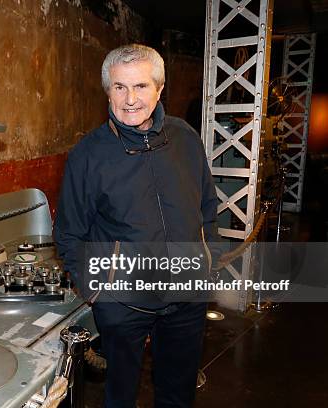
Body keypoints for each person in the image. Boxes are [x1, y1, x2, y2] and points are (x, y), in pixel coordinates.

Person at [53, 44, 219, 407]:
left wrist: (208, 262)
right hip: (123, 304)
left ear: (160, 89)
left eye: (141, 86)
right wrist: (99, 292)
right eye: (119, 87)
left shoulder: (186, 139)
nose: (130, 99)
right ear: (108, 91)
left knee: (178, 394)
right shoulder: (88, 156)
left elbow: (207, 206)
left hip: (186, 297)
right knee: (119, 397)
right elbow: (69, 233)